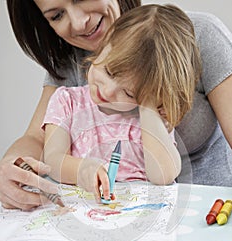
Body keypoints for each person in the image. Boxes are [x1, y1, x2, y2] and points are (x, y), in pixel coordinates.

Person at [0, 0, 232, 210]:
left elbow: (163, 173)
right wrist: (9, 169)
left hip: (209, 209)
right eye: (57, 15)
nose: (79, 23)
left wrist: (147, 101)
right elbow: (38, 142)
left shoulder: (196, 36)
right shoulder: (68, 87)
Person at [41, 4, 201, 201]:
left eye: (128, 93)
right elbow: (53, 160)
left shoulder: (147, 119)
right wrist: (82, 169)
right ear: (104, 44)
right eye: (109, 71)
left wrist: (148, 106)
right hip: (83, 212)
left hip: (141, 218)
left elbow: (164, 176)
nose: (108, 91)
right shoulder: (67, 102)